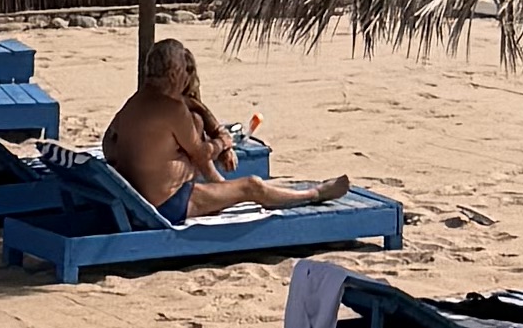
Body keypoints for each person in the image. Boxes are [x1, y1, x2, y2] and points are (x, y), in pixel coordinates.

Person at [104, 39, 353, 218]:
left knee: (195, 133)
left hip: (139, 199)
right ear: (174, 73)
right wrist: (224, 142)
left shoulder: (134, 102)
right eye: (184, 71)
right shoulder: (172, 109)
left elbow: (109, 145)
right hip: (168, 204)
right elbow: (201, 153)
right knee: (252, 186)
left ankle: (221, 185)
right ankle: (314, 194)